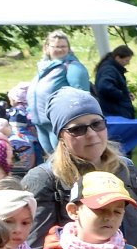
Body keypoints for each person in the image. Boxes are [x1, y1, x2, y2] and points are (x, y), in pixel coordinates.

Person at [22, 89, 137, 249]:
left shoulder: (126, 169)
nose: (92, 134)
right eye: (77, 129)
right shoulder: (45, 179)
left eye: (97, 124)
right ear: (61, 137)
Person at [31, 29, 93, 157]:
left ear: (69, 48)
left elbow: (83, 98)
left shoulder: (72, 67)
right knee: (53, 162)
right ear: (47, 48)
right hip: (41, 124)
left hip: (59, 125)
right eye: (56, 46)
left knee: (68, 160)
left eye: (63, 46)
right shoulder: (44, 67)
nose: (60, 49)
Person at [94, 45, 137, 119]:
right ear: (117, 58)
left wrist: (126, 94)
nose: (128, 63)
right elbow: (104, 87)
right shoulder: (109, 70)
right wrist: (122, 95)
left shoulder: (110, 68)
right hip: (115, 112)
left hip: (114, 111)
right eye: (126, 60)